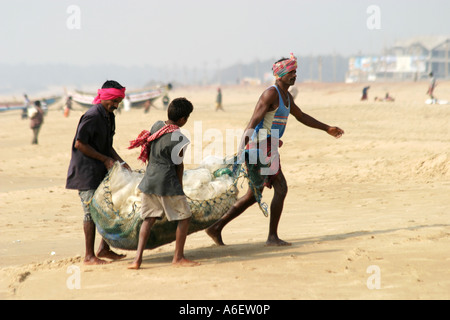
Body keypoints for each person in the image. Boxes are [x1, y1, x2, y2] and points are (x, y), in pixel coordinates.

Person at [206, 53, 344, 246]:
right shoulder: (270, 94)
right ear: (280, 75)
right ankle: (271, 237)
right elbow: (253, 121)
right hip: (260, 147)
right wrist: (241, 151)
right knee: (281, 188)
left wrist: (327, 128)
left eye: (295, 72)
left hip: (268, 147)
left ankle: (216, 227)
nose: (294, 75)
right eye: (290, 72)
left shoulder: (286, 96)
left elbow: (301, 116)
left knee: (253, 195)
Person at [127, 97, 199, 269]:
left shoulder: (156, 126)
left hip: (149, 179)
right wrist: (179, 187)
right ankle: (178, 257)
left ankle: (137, 259)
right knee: (185, 217)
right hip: (166, 181)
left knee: (149, 219)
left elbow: (151, 150)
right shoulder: (180, 138)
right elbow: (178, 165)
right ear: (183, 119)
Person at [66, 80, 130, 265]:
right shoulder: (92, 115)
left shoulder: (109, 116)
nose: (116, 105)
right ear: (106, 97)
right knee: (91, 213)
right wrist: (104, 159)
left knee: (109, 208)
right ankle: (89, 256)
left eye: (119, 101)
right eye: (114, 101)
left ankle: (104, 248)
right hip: (86, 172)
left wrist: (121, 161)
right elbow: (80, 144)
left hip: (101, 170)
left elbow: (107, 146)